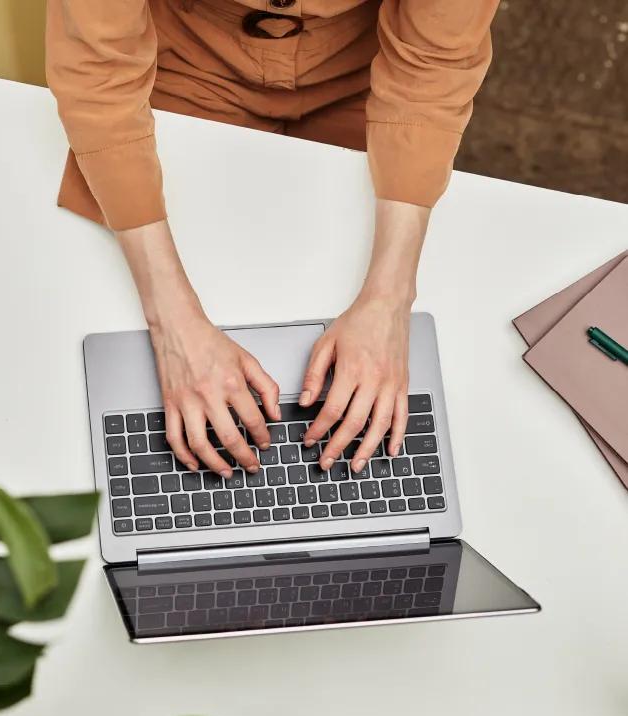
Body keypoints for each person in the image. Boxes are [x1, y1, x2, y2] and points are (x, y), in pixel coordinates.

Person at [46, 0, 498, 481]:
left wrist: (390, 300)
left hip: (367, 77)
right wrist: (172, 326)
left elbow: (431, 72)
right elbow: (99, 79)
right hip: (180, 66)